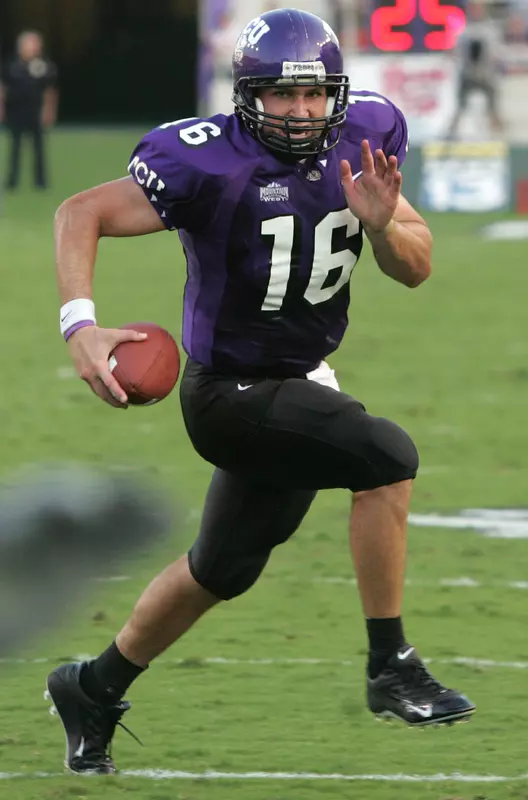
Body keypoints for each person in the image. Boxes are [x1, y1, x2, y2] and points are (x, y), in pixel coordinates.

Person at [46, 8, 475, 775]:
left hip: (303, 379)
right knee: (387, 456)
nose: (303, 112)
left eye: (315, 96)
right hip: (229, 393)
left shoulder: (366, 135)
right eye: (283, 95)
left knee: (223, 568)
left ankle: (93, 686)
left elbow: (416, 266)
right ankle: (392, 664)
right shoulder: (206, 161)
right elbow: (81, 211)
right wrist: (81, 325)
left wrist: (382, 228)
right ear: (249, 96)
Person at [0, 31, 58, 190]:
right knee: (15, 148)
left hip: (35, 112)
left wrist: (48, 111)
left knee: (39, 149)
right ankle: (12, 181)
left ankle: (41, 182)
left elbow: (50, 91)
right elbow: (3, 88)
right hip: (16, 112)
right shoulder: (11, 65)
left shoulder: (44, 66)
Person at [446, 1, 504, 138]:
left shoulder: (490, 29)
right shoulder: (463, 30)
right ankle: (451, 133)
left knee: (493, 105)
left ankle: (500, 133)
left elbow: (496, 53)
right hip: (467, 73)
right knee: (459, 106)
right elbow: (455, 52)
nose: (476, 11)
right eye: (474, 8)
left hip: (486, 74)